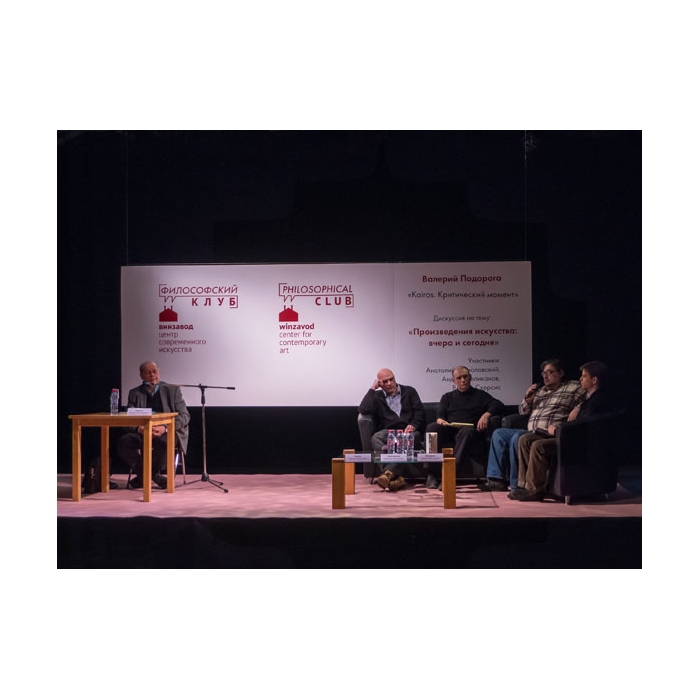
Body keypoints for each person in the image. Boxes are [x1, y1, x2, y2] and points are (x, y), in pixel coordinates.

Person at [509, 361, 613, 501]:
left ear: (594, 380)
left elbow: (586, 425)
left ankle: (535, 490)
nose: (580, 379)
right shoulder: (589, 399)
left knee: (538, 446)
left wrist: (558, 429)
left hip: (576, 442)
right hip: (565, 436)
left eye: (584, 376)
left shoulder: (599, 400)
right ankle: (524, 486)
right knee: (525, 439)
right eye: (543, 373)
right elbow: (523, 411)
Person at [480, 358, 586, 492]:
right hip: (531, 430)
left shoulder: (573, 387)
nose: (545, 376)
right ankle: (495, 480)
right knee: (498, 433)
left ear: (561, 373)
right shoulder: (540, 391)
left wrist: (578, 407)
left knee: (518, 437)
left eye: (550, 372)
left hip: (547, 432)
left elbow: (589, 397)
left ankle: (516, 484)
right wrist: (527, 398)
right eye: (543, 373)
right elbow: (522, 412)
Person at [423, 366, 505, 489]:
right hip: (450, 429)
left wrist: (487, 414)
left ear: (470, 377)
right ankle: (431, 474)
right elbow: (440, 415)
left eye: (465, 376)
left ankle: (450, 475)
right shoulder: (447, 397)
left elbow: (498, 405)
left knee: (467, 432)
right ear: (453, 381)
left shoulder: (480, 395)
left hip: (469, 431)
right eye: (459, 378)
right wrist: (440, 420)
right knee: (432, 428)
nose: (463, 380)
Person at [116, 361, 190, 489]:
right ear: (141, 375)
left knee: (162, 442)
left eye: (154, 372)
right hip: (143, 431)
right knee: (124, 442)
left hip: (167, 431)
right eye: (148, 372)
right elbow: (128, 418)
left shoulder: (172, 390)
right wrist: (139, 429)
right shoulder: (135, 393)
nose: (152, 375)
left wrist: (164, 428)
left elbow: (185, 416)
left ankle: (143, 477)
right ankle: (153, 476)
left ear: (159, 373)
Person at [358, 368, 426, 491]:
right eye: (385, 381)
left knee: (405, 438)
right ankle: (394, 477)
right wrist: (373, 388)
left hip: (408, 430)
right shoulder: (377, 396)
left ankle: (388, 475)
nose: (389, 383)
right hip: (388, 431)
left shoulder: (409, 391)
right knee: (376, 438)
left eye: (391, 379)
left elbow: (419, 412)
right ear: (380, 383)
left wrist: (413, 425)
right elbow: (363, 409)